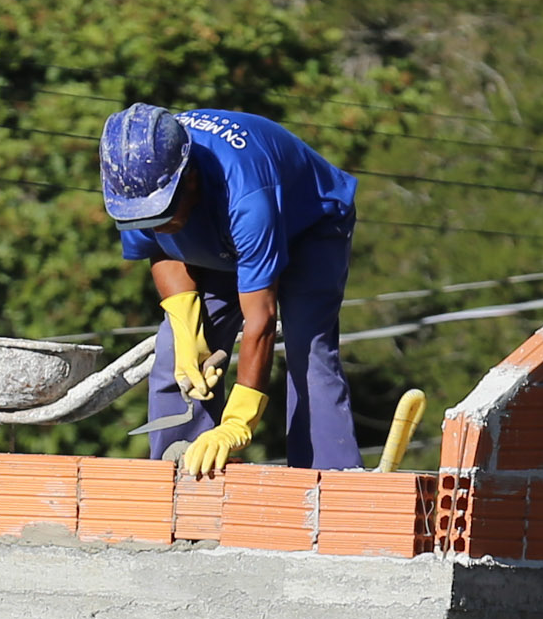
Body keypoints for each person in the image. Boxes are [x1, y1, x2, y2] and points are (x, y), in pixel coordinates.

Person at [98, 103, 361, 475]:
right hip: (220, 230)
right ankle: (184, 473)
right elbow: (159, 249)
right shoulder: (137, 185)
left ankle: (329, 482)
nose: (158, 224)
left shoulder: (247, 196)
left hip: (308, 225)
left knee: (309, 351)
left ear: (189, 178)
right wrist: (187, 323)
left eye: (163, 214)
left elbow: (262, 320)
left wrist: (238, 422)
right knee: (176, 352)